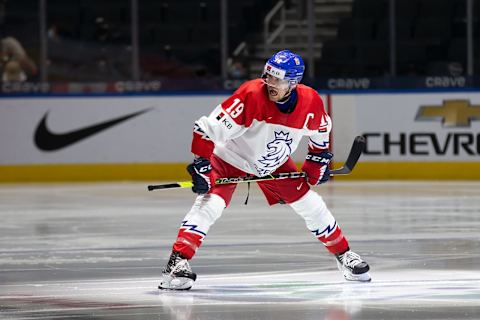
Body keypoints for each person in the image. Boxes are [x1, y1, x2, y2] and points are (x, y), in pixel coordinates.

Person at [159, 50, 371, 290]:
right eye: (268, 76)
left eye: (277, 80)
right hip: (230, 158)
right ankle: (176, 264)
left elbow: (321, 129)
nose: (270, 83)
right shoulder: (250, 95)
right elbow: (205, 130)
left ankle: (345, 256)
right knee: (210, 204)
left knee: (311, 204)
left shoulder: (310, 102)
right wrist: (202, 166)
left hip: (273, 161)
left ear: (294, 82)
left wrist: (317, 159)